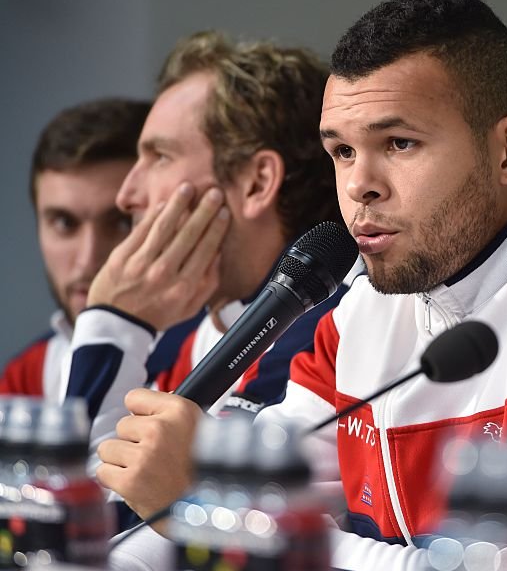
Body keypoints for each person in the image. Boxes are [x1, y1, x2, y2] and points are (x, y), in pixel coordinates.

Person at [100, 0, 507, 571]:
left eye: (398, 144)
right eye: (342, 151)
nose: (360, 186)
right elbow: (250, 507)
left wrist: (212, 518)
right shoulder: (357, 307)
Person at [61, 32, 344, 532]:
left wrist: (111, 328)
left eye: (159, 157)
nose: (128, 194)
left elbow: (97, 529)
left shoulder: (328, 338)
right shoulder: (175, 334)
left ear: (256, 183)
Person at [0, 98, 166, 400]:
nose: (88, 261)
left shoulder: (222, 349)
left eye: (121, 223)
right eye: (65, 223)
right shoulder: (27, 377)